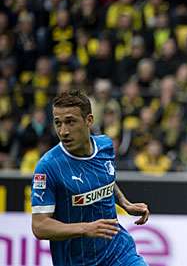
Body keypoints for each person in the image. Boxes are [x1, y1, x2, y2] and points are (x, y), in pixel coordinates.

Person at [31, 90, 150, 266]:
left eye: (70, 122)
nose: (63, 131)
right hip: (78, 261)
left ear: (89, 120)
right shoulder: (48, 167)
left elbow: (106, 176)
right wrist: (85, 228)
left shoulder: (105, 145)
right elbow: (39, 226)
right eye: (58, 123)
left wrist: (125, 203)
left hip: (119, 253)